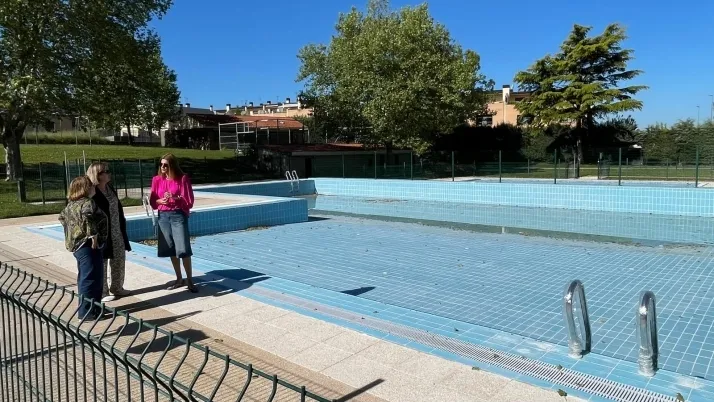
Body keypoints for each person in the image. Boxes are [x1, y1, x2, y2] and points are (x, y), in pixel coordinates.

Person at [59, 176, 108, 320]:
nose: (94, 187)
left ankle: (94, 308)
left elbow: (62, 218)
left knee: (86, 277)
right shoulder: (87, 203)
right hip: (88, 245)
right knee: (91, 278)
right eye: (91, 185)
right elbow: (87, 217)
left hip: (78, 246)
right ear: (85, 188)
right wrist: (93, 235)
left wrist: (73, 232)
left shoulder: (71, 205)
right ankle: (87, 313)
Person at [149, 153, 197, 293]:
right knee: (171, 247)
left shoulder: (182, 179)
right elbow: (153, 201)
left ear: (172, 165)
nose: (162, 167)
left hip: (177, 215)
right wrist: (159, 201)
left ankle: (190, 280)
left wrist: (176, 198)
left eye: (166, 165)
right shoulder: (157, 180)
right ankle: (179, 278)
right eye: (161, 164)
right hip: (163, 216)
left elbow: (189, 201)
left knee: (183, 248)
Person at [87, 162, 132, 302]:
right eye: (105, 171)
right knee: (102, 262)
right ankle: (103, 292)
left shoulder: (109, 188)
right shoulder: (92, 192)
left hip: (116, 230)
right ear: (97, 175)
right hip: (102, 233)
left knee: (119, 258)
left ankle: (117, 287)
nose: (109, 173)